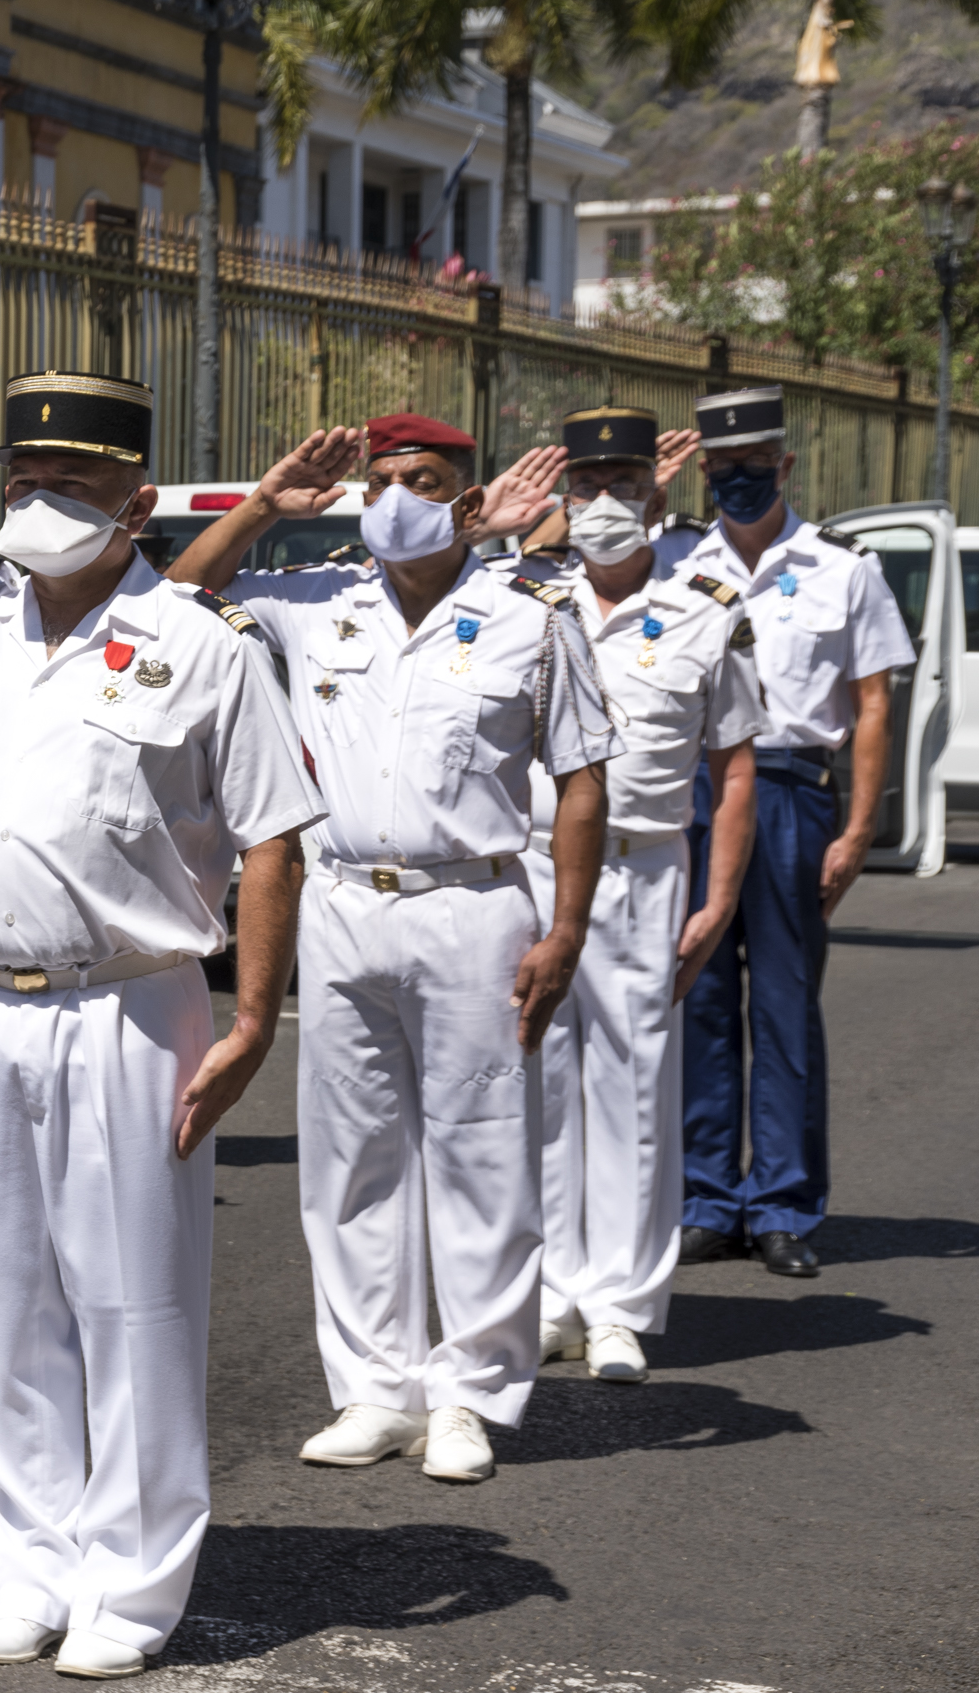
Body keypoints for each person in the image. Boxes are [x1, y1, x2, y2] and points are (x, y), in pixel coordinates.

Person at [0, 392, 321, 1678]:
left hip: (131, 1001)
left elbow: (272, 837)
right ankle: (16, 1564)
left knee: (132, 1301)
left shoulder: (200, 643)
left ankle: (130, 1585)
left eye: (74, 481)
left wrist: (257, 1014)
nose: (40, 499)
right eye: (23, 474)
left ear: (135, 504)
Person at [170, 414, 618, 1485]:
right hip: (339, 902)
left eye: (420, 479)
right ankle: (375, 1384)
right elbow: (175, 601)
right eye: (379, 480)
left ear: (467, 504)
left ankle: (468, 1390)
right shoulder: (314, 600)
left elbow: (582, 780)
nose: (394, 495)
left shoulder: (530, 614)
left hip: (471, 904)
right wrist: (264, 506)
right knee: (352, 1156)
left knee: (479, 1152)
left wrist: (565, 929)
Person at [510, 407, 766, 1381]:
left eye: (623, 485)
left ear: (658, 498)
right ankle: (548, 1288)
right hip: (534, 866)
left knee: (631, 1086)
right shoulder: (526, 601)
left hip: (643, 867)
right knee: (536, 1076)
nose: (604, 503)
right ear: (561, 499)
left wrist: (717, 898)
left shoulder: (708, 606)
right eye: (586, 486)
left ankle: (617, 1300)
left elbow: (735, 766)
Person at [660, 387, 912, 1277]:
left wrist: (857, 831)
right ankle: (702, 1198)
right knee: (699, 999)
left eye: (754, 466)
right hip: (693, 792)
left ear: (787, 465)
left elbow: (873, 705)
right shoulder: (673, 561)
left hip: (791, 791)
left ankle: (784, 1207)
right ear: (702, 471)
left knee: (784, 1001)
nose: (737, 480)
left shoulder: (845, 569)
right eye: (721, 469)